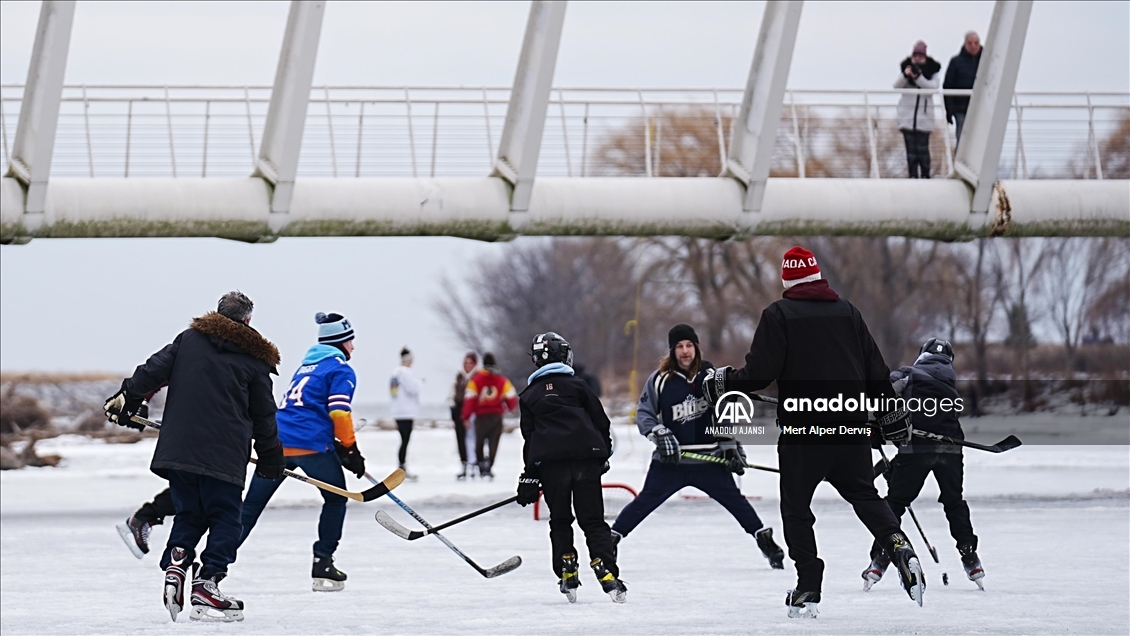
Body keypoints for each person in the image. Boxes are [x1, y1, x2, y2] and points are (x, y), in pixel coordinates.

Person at [702, 247, 923, 618]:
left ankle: (809, 586)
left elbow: (759, 374)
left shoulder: (779, 314)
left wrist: (724, 382)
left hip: (804, 432)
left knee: (797, 508)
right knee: (866, 496)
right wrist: (890, 414)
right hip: (850, 426)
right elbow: (875, 372)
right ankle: (899, 546)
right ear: (818, 277)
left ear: (787, 280)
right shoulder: (848, 312)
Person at [103, 291, 285, 623]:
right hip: (224, 453)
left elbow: (150, 371)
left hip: (179, 449)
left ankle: (176, 564)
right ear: (247, 320)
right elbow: (263, 416)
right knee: (226, 518)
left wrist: (128, 399)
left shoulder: (189, 340)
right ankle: (207, 584)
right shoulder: (254, 360)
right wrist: (272, 454)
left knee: (189, 513)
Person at [610, 324, 785, 570]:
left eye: (689, 345)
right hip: (671, 462)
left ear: (696, 348)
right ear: (672, 351)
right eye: (679, 346)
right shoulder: (659, 379)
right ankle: (611, 540)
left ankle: (764, 540)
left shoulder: (712, 377)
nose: (684, 351)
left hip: (709, 461)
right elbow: (645, 415)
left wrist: (730, 445)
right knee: (645, 502)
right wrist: (658, 433)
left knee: (737, 502)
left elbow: (725, 412)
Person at [238, 312, 367, 592]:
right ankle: (323, 565)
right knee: (335, 500)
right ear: (340, 342)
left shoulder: (305, 367)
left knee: (250, 507)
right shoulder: (340, 369)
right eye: (350, 340)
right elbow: (339, 412)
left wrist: (339, 446)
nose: (353, 347)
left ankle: (211, 564)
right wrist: (350, 450)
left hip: (277, 444)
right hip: (310, 447)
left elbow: (305, 411)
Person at [862, 338, 984, 590]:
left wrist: (873, 426)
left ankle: (880, 558)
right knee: (954, 501)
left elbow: (881, 395)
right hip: (951, 448)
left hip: (916, 448)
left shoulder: (908, 374)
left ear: (922, 356)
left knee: (895, 502)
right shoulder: (949, 382)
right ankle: (970, 556)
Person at [516, 332, 625, 603]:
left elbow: (530, 439)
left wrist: (530, 477)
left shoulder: (529, 395)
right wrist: (603, 454)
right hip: (586, 460)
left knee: (561, 519)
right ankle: (605, 568)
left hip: (552, 467)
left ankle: (567, 566)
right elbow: (601, 421)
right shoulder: (578, 386)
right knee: (593, 521)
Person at [461, 352, 517, 479]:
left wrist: (466, 416)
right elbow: (511, 397)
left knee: (479, 442)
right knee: (494, 442)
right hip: (497, 416)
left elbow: (469, 399)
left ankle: (481, 464)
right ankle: (489, 465)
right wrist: (510, 408)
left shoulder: (476, 380)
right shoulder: (502, 380)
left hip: (481, 416)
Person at [895, 40, 941, 178]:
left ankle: (926, 176)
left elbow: (931, 88)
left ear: (925, 57)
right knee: (910, 152)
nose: (917, 59)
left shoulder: (933, 71)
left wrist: (918, 77)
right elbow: (896, 86)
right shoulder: (905, 68)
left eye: (920, 56)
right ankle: (912, 176)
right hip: (907, 118)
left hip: (923, 118)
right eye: (915, 56)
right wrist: (905, 75)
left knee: (923, 151)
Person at [943, 30, 982, 147]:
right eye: (970, 43)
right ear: (965, 44)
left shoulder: (988, 61)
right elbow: (948, 87)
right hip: (961, 110)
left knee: (981, 142)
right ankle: (958, 165)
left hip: (982, 109)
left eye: (976, 43)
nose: (973, 46)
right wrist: (949, 111)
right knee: (963, 143)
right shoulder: (956, 62)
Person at [390, 347, 421, 480]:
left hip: (397, 411)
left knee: (403, 440)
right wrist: (420, 383)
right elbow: (413, 388)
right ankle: (402, 467)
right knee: (405, 440)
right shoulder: (406, 372)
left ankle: (402, 466)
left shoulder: (395, 372)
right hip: (406, 412)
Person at [451, 351, 479, 480]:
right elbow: (452, 393)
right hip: (459, 408)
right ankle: (464, 463)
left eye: (470, 363)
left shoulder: (478, 377)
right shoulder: (459, 377)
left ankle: (475, 463)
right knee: (461, 438)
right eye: (466, 363)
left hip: (473, 410)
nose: (467, 365)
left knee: (473, 438)